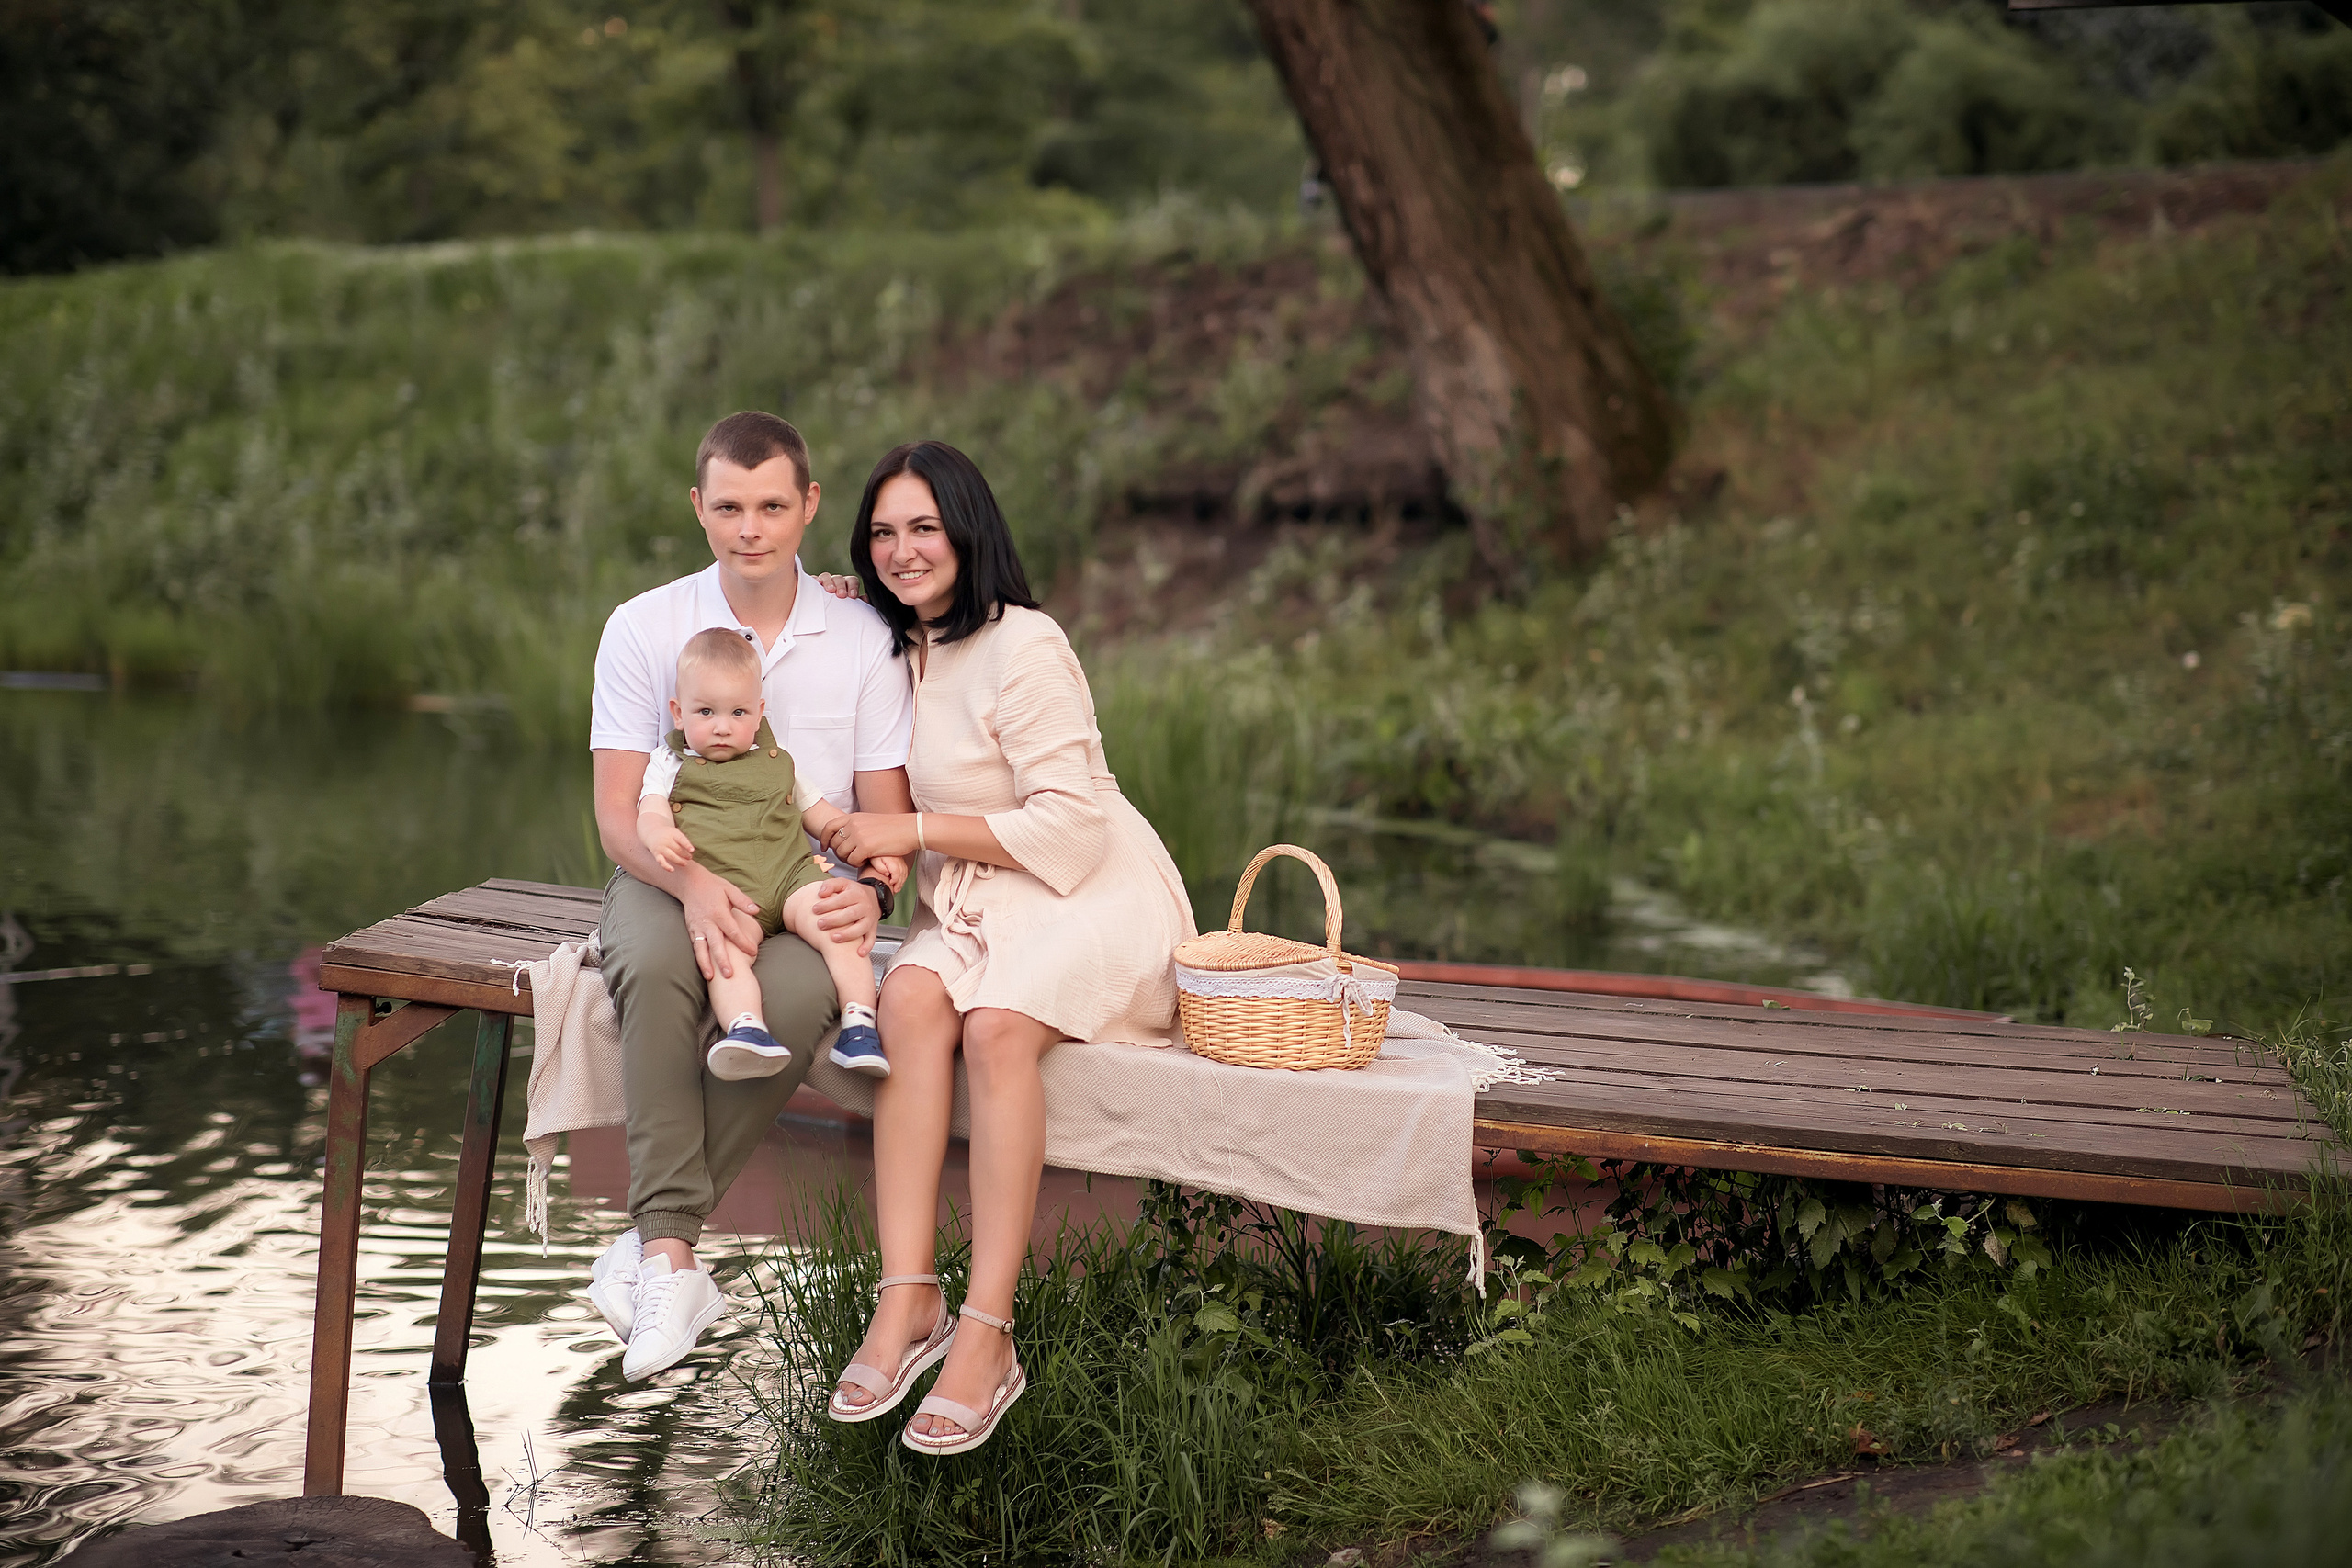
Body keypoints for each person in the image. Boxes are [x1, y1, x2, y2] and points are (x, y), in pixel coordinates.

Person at [813, 439, 1194, 1455]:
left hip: (1089, 890)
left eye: (924, 528)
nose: (902, 550)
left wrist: (909, 832)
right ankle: (909, 1300)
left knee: (993, 1028)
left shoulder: (1025, 644)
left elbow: (1069, 828)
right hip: (981, 901)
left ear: (968, 530)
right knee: (904, 1005)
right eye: (883, 533)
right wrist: (831, 600)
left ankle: (988, 1332)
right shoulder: (886, 643)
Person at [587, 411, 914, 1382]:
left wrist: (874, 896)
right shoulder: (645, 626)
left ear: (808, 505)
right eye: (728, 507)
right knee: (649, 961)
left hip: (801, 879)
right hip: (667, 866)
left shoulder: (863, 634)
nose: (750, 529)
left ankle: (654, 1249)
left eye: (773, 505)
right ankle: (674, 1257)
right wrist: (687, 887)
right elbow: (615, 815)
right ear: (699, 508)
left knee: (798, 996)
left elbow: (883, 817)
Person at [634, 626, 905, 1083]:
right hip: (728, 890)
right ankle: (746, 1029)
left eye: (738, 712)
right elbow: (648, 812)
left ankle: (860, 1023)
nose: (723, 726)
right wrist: (659, 833)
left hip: (791, 877)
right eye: (706, 712)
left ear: (759, 712)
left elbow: (823, 817)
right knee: (726, 949)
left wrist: (873, 852)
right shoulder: (669, 763)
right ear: (678, 714)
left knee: (836, 921)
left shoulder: (779, 761)